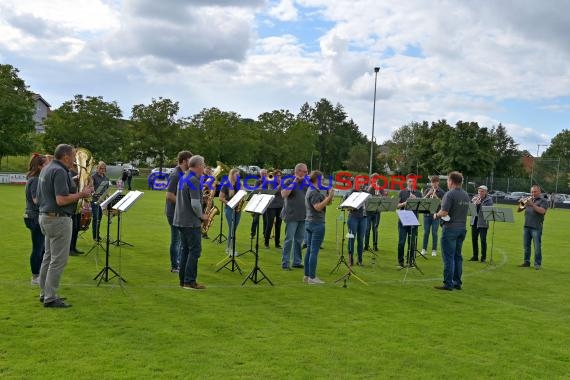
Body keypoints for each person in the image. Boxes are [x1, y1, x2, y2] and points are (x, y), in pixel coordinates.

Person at [37, 144, 93, 307]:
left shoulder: (48, 168)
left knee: (48, 258)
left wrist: (76, 181)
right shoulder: (60, 171)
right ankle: (51, 297)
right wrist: (82, 194)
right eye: (74, 156)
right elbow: (61, 200)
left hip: (46, 217)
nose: (76, 159)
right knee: (58, 260)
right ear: (66, 157)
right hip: (58, 219)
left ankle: (44, 292)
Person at [173, 155, 208, 290]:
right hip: (190, 222)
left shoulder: (184, 177)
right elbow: (194, 204)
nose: (204, 167)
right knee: (195, 251)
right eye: (203, 164)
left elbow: (188, 198)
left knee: (185, 251)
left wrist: (201, 197)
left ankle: (183, 281)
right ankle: (189, 281)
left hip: (180, 220)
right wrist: (202, 216)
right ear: (198, 166)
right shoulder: (193, 180)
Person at [433, 171, 470, 291]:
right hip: (462, 228)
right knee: (458, 256)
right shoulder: (465, 195)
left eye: (448, 180)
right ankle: (457, 282)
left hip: (450, 229)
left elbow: (444, 212)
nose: (447, 183)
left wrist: (436, 215)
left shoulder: (449, 194)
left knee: (448, 257)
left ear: (451, 181)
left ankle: (448, 283)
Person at [304, 171, 335, 284]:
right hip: (316, 223)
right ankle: (312, 277)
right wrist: (329, 197)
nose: (323, 181)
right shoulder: (314, 192)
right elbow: (317, 207)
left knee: (309, 250)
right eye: (322, 179)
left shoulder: (312, 190)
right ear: (317, 179)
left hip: (310, 222)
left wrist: (328, 196)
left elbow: (327, 203)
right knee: (313, 251)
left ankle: (307, 276)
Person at [165, 150, 192, 273]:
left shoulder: (183, 174)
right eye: (190, 161)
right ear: (184, 161)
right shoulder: (176, 175)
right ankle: (175, 266)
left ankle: (180, 264)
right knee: (176, 240)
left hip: (180, 212)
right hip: (174, 213)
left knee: (181, 240)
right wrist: (185, 204)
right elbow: (169, 195)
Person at [24, 153, 47, 285]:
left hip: (33, 216)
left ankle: (40, 274)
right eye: (45, 164)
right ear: (39, 166)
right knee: (38, 248)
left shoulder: (34, 178)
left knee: (42, 247)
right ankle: (35, 276)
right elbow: (36, 200)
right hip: (34, 216)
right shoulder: (36, 180)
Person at [281, 163, 308, 270]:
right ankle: (285, 263)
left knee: (299, 240)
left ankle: (297, 261)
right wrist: (294, 182)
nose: (306, 173)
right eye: (304, 171)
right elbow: (284, 194)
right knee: (289, 240)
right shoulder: (289, 181)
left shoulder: (306, 183)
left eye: (307, 172)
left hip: (303, 215)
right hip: (291, 215)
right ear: (298, 171)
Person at [517, 185, 548, 269]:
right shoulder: (529, 199)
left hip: (536, 227)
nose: (533, 193)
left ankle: (537, 264)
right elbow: (518, 210)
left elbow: (542, 211)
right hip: (526, 226)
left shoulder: (543, 201)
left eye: (535, 191)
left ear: (539, 192)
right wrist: (522, 203)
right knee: (526, 246)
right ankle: (526, 262)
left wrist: (532, 204)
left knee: (537, 247)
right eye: (532, 192)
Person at [396, 174, 422, 268]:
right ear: (407, 182)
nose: (411, 183)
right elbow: (397, 206)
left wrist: (417, 200)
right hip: (403, 219)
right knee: (401, 241)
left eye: (413, 181)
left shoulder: (418, 193)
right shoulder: (402, 192)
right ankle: (400, 261)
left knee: (412, 242)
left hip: (413, 219)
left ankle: (410, 261)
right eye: (410, 181)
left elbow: (423, 207)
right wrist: (405, 203)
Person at [219, 168, 243, 256]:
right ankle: (229, 249)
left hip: (238, 209)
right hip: (229, 209)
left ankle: (229, 248)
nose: (238, 176)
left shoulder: (239, 184)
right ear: (232, 175)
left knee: (233, 229)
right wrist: (230, 203)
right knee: (231, 228)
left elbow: (243, 194)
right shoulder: (226, 185)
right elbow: (221, 198)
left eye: (239, 175)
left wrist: (242, 189)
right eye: (237, 174)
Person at [421, 175, 446, 257]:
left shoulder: (442, 192)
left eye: (435, 182)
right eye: (432, 182)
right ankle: (424, 249)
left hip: (436, 215)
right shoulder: (427, 190)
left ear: (438, 182)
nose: (434, 184)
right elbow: (422, 201)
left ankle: (434, 250)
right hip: (427, 214)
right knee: (426, 232)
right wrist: (428, 194)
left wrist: (435, 196)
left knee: (434, 232)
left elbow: (443, 204)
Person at [469, 185, 493, 263]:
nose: (480, 193)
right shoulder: (475, 197)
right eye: (479, 191)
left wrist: (479, 204)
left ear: (486, 192)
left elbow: (487, 211)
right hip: (474, 221)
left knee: (483, 240)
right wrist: (472, 202)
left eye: (482, 191)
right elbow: (470, 209)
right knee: (474, 240)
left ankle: (483, 257)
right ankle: (475, 256)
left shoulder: (489, 200)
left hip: (483, 223)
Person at [345, 184, 368, 266]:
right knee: (351, 238)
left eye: (362, 183)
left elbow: (369, 204)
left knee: (361, 239)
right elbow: (346, 205)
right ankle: (350, 258)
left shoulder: (366, 192)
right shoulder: (352, 192)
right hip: (353, 217)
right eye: (359, 182)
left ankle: (360, 259)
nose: (361, 185)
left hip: (364, 217)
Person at [364, 175, 384, 252]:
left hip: (377, 212)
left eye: (377, 179)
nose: (375, 180)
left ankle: (375, 246)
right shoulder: (367, 188)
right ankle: (366, 245)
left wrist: (379, 194)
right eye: (374, 179)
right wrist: (371, 187)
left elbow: (383, 198)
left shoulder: (380, 188)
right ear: (371, 179)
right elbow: (365, 196)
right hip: (368, 211)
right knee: (367, 229)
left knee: (375, 228)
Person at [264, 170, 283, 249]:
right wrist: (279, 185)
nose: (279, 177)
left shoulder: (283, 183)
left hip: (280, 205)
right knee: (270, 224)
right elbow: (272, 192)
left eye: (280, 176)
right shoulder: (271, 183)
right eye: (277, 176)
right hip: (271, 206)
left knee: (279, 225)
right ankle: (266, 243)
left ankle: (277, 243)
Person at [91, 161, 108, 242]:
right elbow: (91, 188)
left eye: (103, 168)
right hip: (95, 201)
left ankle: (98, 234)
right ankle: (95, 236)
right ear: (97, 168)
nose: (102, 170)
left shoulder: (106, 178)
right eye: (100, 168)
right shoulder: (93, 176)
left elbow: (106, 189)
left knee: (100, 218)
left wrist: (108, 197)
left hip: (103, 201)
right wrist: (94, 193)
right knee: (95, 218)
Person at [250, 169, 268, 239]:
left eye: (265, 173)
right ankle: (252, 233)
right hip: (258, 202)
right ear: (260, 174)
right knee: (255, 220)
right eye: (263, 174)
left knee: (266, 220)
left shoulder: (270, 181)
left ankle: (265, 234)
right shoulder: (258, 181)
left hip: (266, 202)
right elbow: (257, 190)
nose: (264, 175)